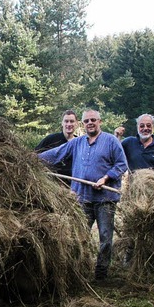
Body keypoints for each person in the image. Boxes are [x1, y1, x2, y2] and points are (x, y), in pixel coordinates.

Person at [39, 109, 128, 280]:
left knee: (105, 237)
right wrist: (33, 157)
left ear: (99, 122)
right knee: (80, 237)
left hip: (105, 199)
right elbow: (57, 153)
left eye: (93, 120)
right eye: (86, 121)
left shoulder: (110, 141)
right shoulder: (77, 143)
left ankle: (101, 273)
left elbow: (121, 164)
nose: (90, 123)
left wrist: (105, 178)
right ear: (83, 124)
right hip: (83, 198)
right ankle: (80, 269)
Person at [35, 110, 78, 183]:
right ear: (62, 123)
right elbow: (34, 156)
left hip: (72, 185)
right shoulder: (51, 139)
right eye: (66, 121)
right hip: (51, 183)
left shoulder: (79, 143)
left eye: (72, 121)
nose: (69, 124)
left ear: (77, 123)